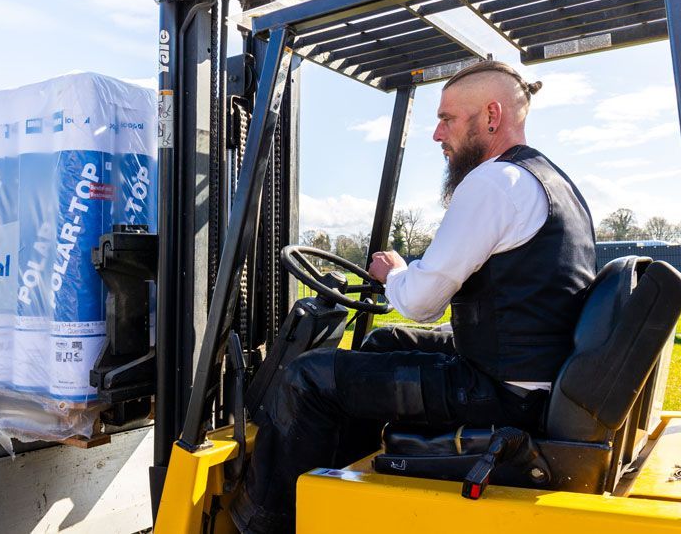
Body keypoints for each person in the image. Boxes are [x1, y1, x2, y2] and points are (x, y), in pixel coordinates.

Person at [231, 60, 596, 534]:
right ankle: (338, 491)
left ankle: (260, 523)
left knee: (306, 378)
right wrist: (406, 278)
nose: (437, 134)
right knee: (385, 344)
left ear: (491, 116)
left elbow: (423, 300)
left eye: (447, 119)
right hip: (530, 377)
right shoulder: (550, 182)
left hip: (504, 395)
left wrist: (396, 274)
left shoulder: (493, 183)